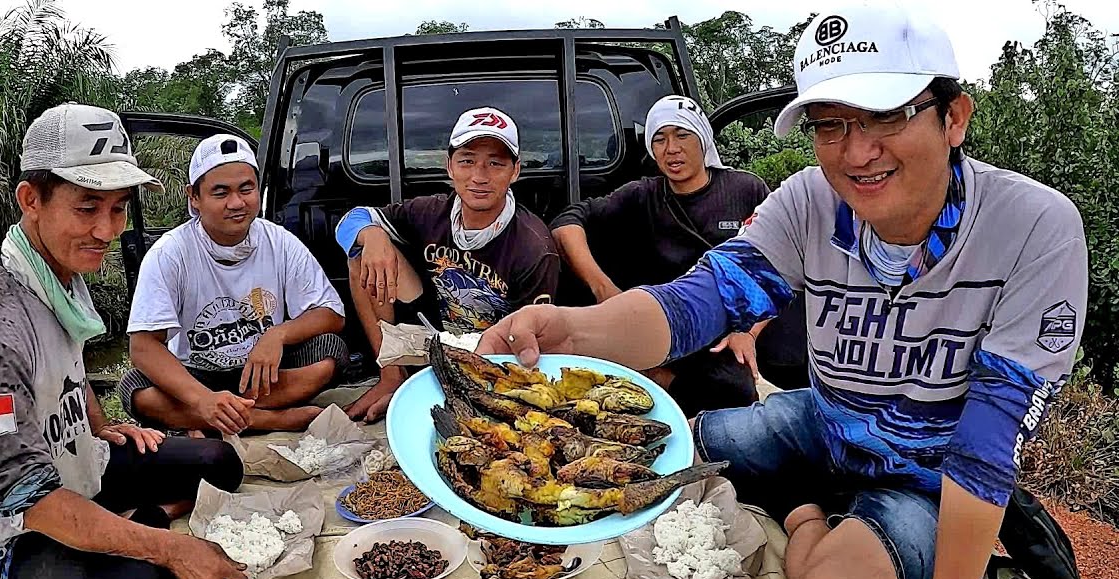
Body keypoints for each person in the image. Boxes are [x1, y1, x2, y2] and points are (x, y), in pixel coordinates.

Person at [477, 4, 1087, 579]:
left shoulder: (1034, 227)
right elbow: (691, 306)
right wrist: (571, 330)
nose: (856, 153)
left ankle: (802, 512)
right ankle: (807, 493)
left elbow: (986, 450)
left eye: (884, 116)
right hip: (823, 422)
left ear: (954, 117)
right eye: (831, 124)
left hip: (925, 473)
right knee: (658, 451)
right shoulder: (808, 201)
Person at [0, 104, 251, 579]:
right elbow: (29, 499)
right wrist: (171, 546)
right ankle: (141, 523)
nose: (105, 230)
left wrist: (98, 425)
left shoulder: (58, 267)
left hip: (82, 463)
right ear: (31, 201)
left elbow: (68, 363)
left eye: (119, 209)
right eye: (87, 208)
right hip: (13, 529)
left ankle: (131, 519)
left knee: (221, 462)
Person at [550, 94, 805, 414]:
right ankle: (658, 379)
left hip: (727, 327)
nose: (671, 148)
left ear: (702, 137)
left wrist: (747, 332)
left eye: (682, 134)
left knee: (734, 391)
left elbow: (780, 262)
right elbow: (567, 223)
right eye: (659, 138)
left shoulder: (744, 189)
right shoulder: (642, 194)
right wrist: (603, 288)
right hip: (668, 323)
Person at [334, 107, 559, 422]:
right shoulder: (431, 211)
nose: (479, 176)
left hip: (491, 357)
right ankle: (390, 376)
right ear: (449, 166)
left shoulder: (535, 248)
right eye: (467, 161)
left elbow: (530, 343)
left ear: (515, 171)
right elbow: (350, 220)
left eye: (495, 163)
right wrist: (373, 237)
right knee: (360, 255)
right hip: (430, 332)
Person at [120, 134, 348, 435]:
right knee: (136, 389)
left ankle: (215, 420)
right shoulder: (170, 253)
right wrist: (203, 400)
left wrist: (277, 336)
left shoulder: (278, 241)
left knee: (330, 351)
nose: (236, 203)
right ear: (194, 197)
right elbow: (144, 347)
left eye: (246, 189)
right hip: (198, 377)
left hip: (264, 377)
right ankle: (264, 420)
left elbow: (332, 313)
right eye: (220, 192)